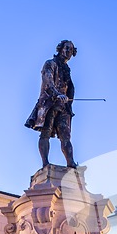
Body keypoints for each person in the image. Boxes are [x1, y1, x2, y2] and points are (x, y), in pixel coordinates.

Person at [25, 40, 78, 168]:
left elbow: (69, 88)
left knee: (66, 135)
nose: (68, 51)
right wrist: (56, 94)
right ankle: (45, 163)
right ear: (60, 49)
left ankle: (71, 163)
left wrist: (68, 101)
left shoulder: (67, 70)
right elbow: (47, 80)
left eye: (71, 50)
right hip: (50, 103)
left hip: (64, 106)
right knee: (46, 132)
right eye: (66, 48)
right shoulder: (50, 63)